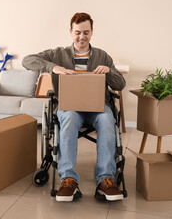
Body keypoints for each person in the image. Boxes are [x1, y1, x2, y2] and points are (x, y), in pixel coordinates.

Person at [22, 12, 126, 202]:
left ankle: (105, 180)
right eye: (78, 32)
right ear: (70, 32)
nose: (82, 37)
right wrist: (53, 67)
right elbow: (27, 60)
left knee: (107, 119)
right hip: (69, 107)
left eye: (86, 32)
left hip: (98, 107)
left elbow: (120, 84)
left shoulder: (102, 56)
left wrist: (109, 71)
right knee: (68, 118)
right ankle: (68, 179)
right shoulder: (58, 54)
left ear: (92, 32)